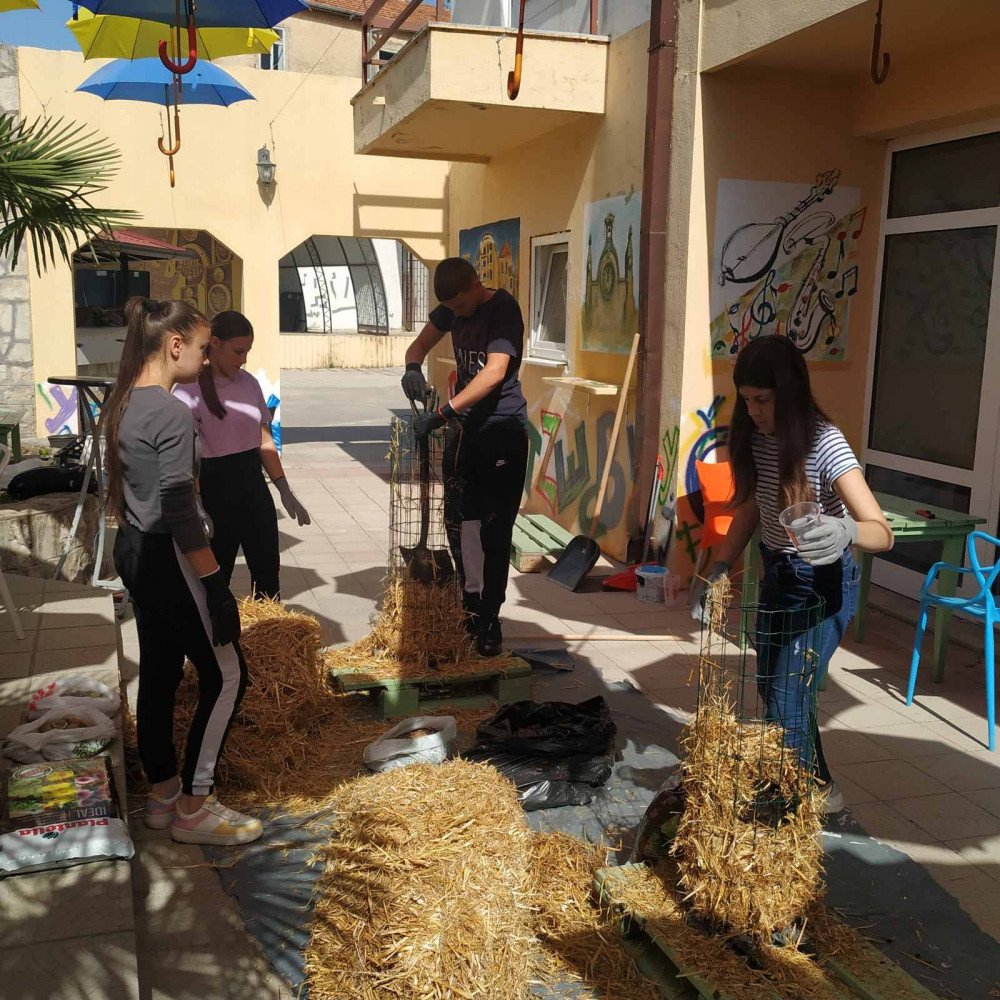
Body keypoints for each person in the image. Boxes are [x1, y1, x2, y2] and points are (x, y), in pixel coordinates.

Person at [689, 335, 893, 812]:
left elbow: (882, 532)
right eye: (746, 399)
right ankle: (820, 788)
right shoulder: (756, 437)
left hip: (823, 583)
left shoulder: (825, 443)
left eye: (763, 399)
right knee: (774, 688)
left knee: (786, 697)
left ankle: (795, 803)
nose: (753, 411)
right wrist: (719, 568)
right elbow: (749, 508)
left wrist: (846, 529)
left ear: (791, 393)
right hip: (778, 574)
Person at [107, 297, 262, 846]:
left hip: (135, 551)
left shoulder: (122, 400)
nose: (204, 356)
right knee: (228, 676)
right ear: (175, 346)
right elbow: (178, 509)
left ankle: (163, 794)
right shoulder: (170, 411)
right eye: (200, 346)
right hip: (170, 558)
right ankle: (195, 807)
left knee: (160, 671)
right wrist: (216, 584)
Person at [401, 257, 529, 657]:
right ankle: (470, 606)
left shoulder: (503, 309)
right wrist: (412, 367)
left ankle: (490, 618)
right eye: (449, 309)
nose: (454, 314)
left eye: (459, 305)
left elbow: (494, 372)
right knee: (462, 523)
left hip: (502, 430)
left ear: (476, 285)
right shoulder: (453, 308)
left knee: (495, 529)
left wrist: (442, 413)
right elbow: (419, 344)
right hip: (466, 430)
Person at [173, 310, 310, 600]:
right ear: (215, 343)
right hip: (214, 493)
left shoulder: (249, 383)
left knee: (267, 573)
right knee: (215, 579)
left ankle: (268, 627)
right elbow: (186, 456)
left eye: (248, 351)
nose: (244, 359)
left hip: (253, 490)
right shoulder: (188, 390)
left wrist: (284, 488)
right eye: (238, 351)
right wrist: (196, 502)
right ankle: (218, 629)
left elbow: (264, 440)